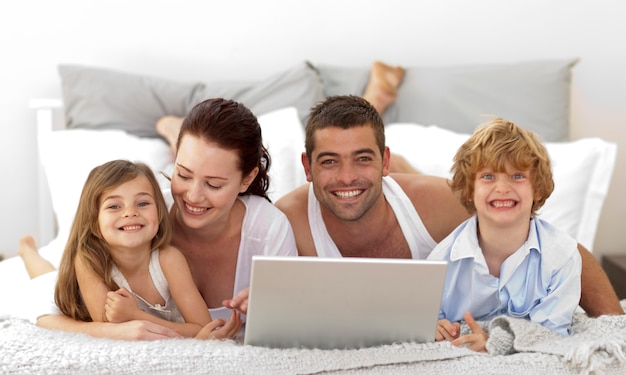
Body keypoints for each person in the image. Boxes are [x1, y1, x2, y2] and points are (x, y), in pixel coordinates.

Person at [274, 95, 623, 317]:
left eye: (363, 158)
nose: (347, 176)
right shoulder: (286, 221)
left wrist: (614, 331)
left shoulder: (437, 203)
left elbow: (559, 248)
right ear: (307, 167)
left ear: (385, 161)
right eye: (329, 161)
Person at [34, 98, 298, 340]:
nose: (193, 196)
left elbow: (295, 322)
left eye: (214, 185)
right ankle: (28, 251)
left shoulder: (268, 229)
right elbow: (46, 315)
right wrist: (130, 326)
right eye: (182, 175)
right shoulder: (144, 213)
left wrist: (279, 303)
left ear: (247, 179)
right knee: (44, 274)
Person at [428, 118, 581, 352]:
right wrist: (436, 327)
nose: (502, 188)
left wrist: (495, 342)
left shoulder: (562, 257)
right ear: (470, 190)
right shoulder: (442, 261)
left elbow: (551, 333)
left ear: (537, 188)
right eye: (488, 176)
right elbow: (429, 321)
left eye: (517, 176)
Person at [55, 159, 237, 339]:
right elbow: (109, 330)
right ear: (95, 223)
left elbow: (203, 328)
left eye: (142, 203)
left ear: (158, 212)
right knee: (43, 277)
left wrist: (137, 316)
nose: (130, 212)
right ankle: (28, 251)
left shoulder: (169, 259)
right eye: (114, 206)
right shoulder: (88, 260)